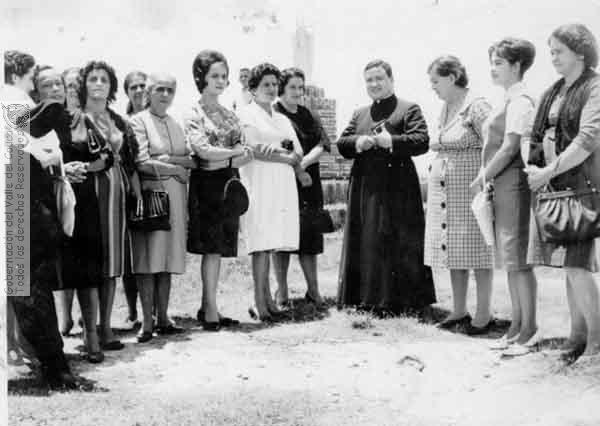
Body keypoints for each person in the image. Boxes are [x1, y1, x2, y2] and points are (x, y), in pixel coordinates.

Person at [3, 50, 84, 388]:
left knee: (22, 287)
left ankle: (46, 363)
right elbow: (18, 141)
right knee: (32, 285)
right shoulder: (13, 96)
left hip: (15, 192)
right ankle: (55, 368)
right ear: (21, 73)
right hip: (21, 192)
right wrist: (47, 155)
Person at [336, 59, 436, 316]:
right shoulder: (360, 113)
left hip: (398, 189)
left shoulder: (408, 108)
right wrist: (359, 142)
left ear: (391, 80)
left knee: (395, 240)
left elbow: (421, 141)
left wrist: (390, 141)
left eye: (379, 78)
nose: (374, 84)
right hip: (365, 186)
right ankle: (365, 299)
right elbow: (342, 143)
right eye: (369, 80)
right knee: (367, 240)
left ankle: (402, 301)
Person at [525, 23, 600, 365]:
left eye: (559, 51)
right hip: (556, 188)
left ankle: (596, 343)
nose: (553, 57)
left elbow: (587, 139)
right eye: (551, 51)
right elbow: (537, 135)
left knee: (577, 266)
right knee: (570, 266)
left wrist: (548, 171)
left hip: (582, 186)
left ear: (580, 52)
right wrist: (536, 170)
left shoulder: (595, 87)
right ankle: (577, 336)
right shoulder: (553, 91)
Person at [58, 60, 139, 360]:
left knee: (112, 259)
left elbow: (128, 158)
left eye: (104, 79)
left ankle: (105, 325)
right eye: (92, 78)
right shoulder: (74, 118)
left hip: (115, 191)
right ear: (83, 84)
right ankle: (84, 325)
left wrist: (134, 189)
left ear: (111, 86)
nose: (98, 84)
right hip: (86, 190)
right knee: (89, 257)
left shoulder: (117, 119)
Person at [469, 38, 540, 351]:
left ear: (517, 65)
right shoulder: (506, 99)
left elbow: (511, 147)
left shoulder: (521, 101)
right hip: (502, 185)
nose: (493, 69)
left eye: (499, 63)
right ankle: (515, 327)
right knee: (510, 261)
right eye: (492, 63)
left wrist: (482, 176)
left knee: (519, 260)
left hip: (514, 184)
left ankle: (529, 328)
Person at [184, 50, 253, 331]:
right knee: (211, 250)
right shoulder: (193, 112)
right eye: (214, 75)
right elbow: (202, 152)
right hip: (206, 187)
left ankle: (207, 305)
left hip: (228, 185)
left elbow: (244, 151)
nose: (221, 81)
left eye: (224, 76)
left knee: (220, 250)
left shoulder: (230, 114)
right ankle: (211, 310)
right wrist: (231, 155)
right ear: (201, 77)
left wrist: (224, 159)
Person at [424, 56, 494, 331]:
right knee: (454, 247)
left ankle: (483, 314)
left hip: (469, 187)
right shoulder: (445, 108)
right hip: (446, 192)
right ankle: (459, 309)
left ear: (452, 77)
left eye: (435, 81)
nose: (432, 87)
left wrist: (484, 177)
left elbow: (494, 141)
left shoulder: (477, 106)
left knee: (477, 249)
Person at [237, 63, 305, 322]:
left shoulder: (282, 118)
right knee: (259, 243)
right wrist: (283, 154)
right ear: (253, 88)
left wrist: (276, 152)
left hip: (281, 184)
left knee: (271, 241)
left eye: (275, 84)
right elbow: (254, 148)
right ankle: (259, 301)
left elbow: (298, 152)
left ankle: (269, 301)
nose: (271, 88)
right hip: (258, 181)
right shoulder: (246, 113)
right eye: (265, 84)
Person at [130, 73, 191, 342]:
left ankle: (163, 317)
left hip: (176, 196)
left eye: (170, 90)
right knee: (148, 259)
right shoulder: (138, 121)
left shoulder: (176, 123)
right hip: (151, 195)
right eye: (160, 89)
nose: (165, 95)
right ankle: (146, 322)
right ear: (149, 92)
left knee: (167, 259)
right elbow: (142, 162)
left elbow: (192, 159)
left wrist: (169, 159)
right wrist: (175, 167)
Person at [272, 67, 331, 308]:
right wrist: (297, 168)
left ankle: (313, 291)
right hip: (284, 180)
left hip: (309, 182)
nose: (297, 92)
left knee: (310, 238)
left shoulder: (308, 114)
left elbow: (322, 143)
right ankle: (282, 292)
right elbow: (280, 147)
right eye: (292, 87)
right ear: (282, 89)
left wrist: (304, 164)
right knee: (282, 239)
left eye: (300, 87)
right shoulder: (274, 113)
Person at [122, 70, 149, 330]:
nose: (140, 90)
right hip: (130, 191)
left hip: (155, 186)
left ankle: (155, 310)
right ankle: (132, 311)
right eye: (134, 87)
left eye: (143, 85)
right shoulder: (123, 121)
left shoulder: (157, 117)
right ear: (127, 92)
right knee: (130, 257)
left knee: (154, 252)